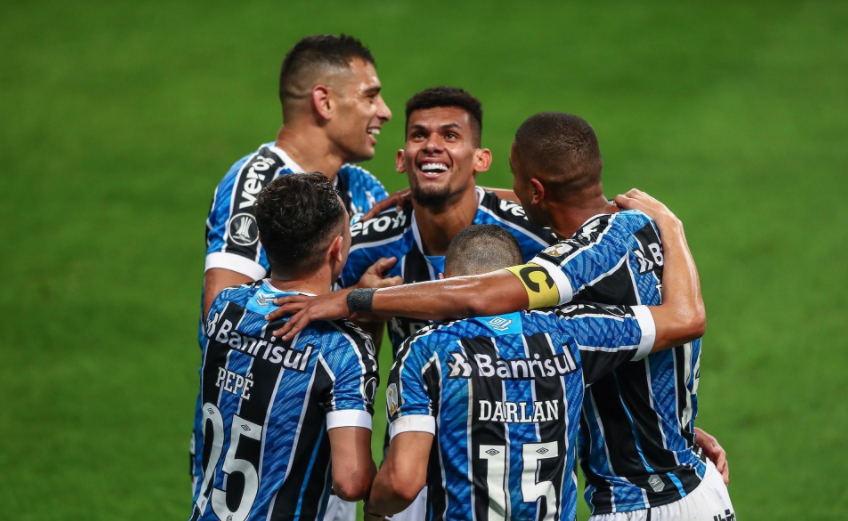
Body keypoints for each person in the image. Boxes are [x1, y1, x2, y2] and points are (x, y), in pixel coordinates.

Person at [269, 113, 731, 519]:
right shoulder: (641, 227)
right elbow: (658, 344)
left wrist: (354, 300)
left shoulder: (586, 256)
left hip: (640, 500)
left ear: (534, 189)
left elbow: (484, 297)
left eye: (515, 177)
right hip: (695, 481)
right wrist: (673, 425)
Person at [366, 221, 731, 521]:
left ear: (446, 282)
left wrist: (374, 511)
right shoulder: (569, 334)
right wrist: (671, 226)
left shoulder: (426, 350)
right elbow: (683, 319)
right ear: (515, 279)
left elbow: (401, 483)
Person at [190, 173, 378, 521]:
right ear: (338, 249)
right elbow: (351, 482)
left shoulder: (225, 308)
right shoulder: (343, 350)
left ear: (262, 240)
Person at [339, 86, 556, 353]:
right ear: (401, 160)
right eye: (419, 135)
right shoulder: (366, 245)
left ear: (481, 159)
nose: (431, 145)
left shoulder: (537, 235)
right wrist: (361, 305)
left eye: (450, 135)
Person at [201, 34, 393, 319]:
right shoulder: (258, 182)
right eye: (370, 96)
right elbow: (222, 315)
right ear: (325, 102)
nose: (385, 112)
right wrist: (355, 301)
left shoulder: (366, 190)